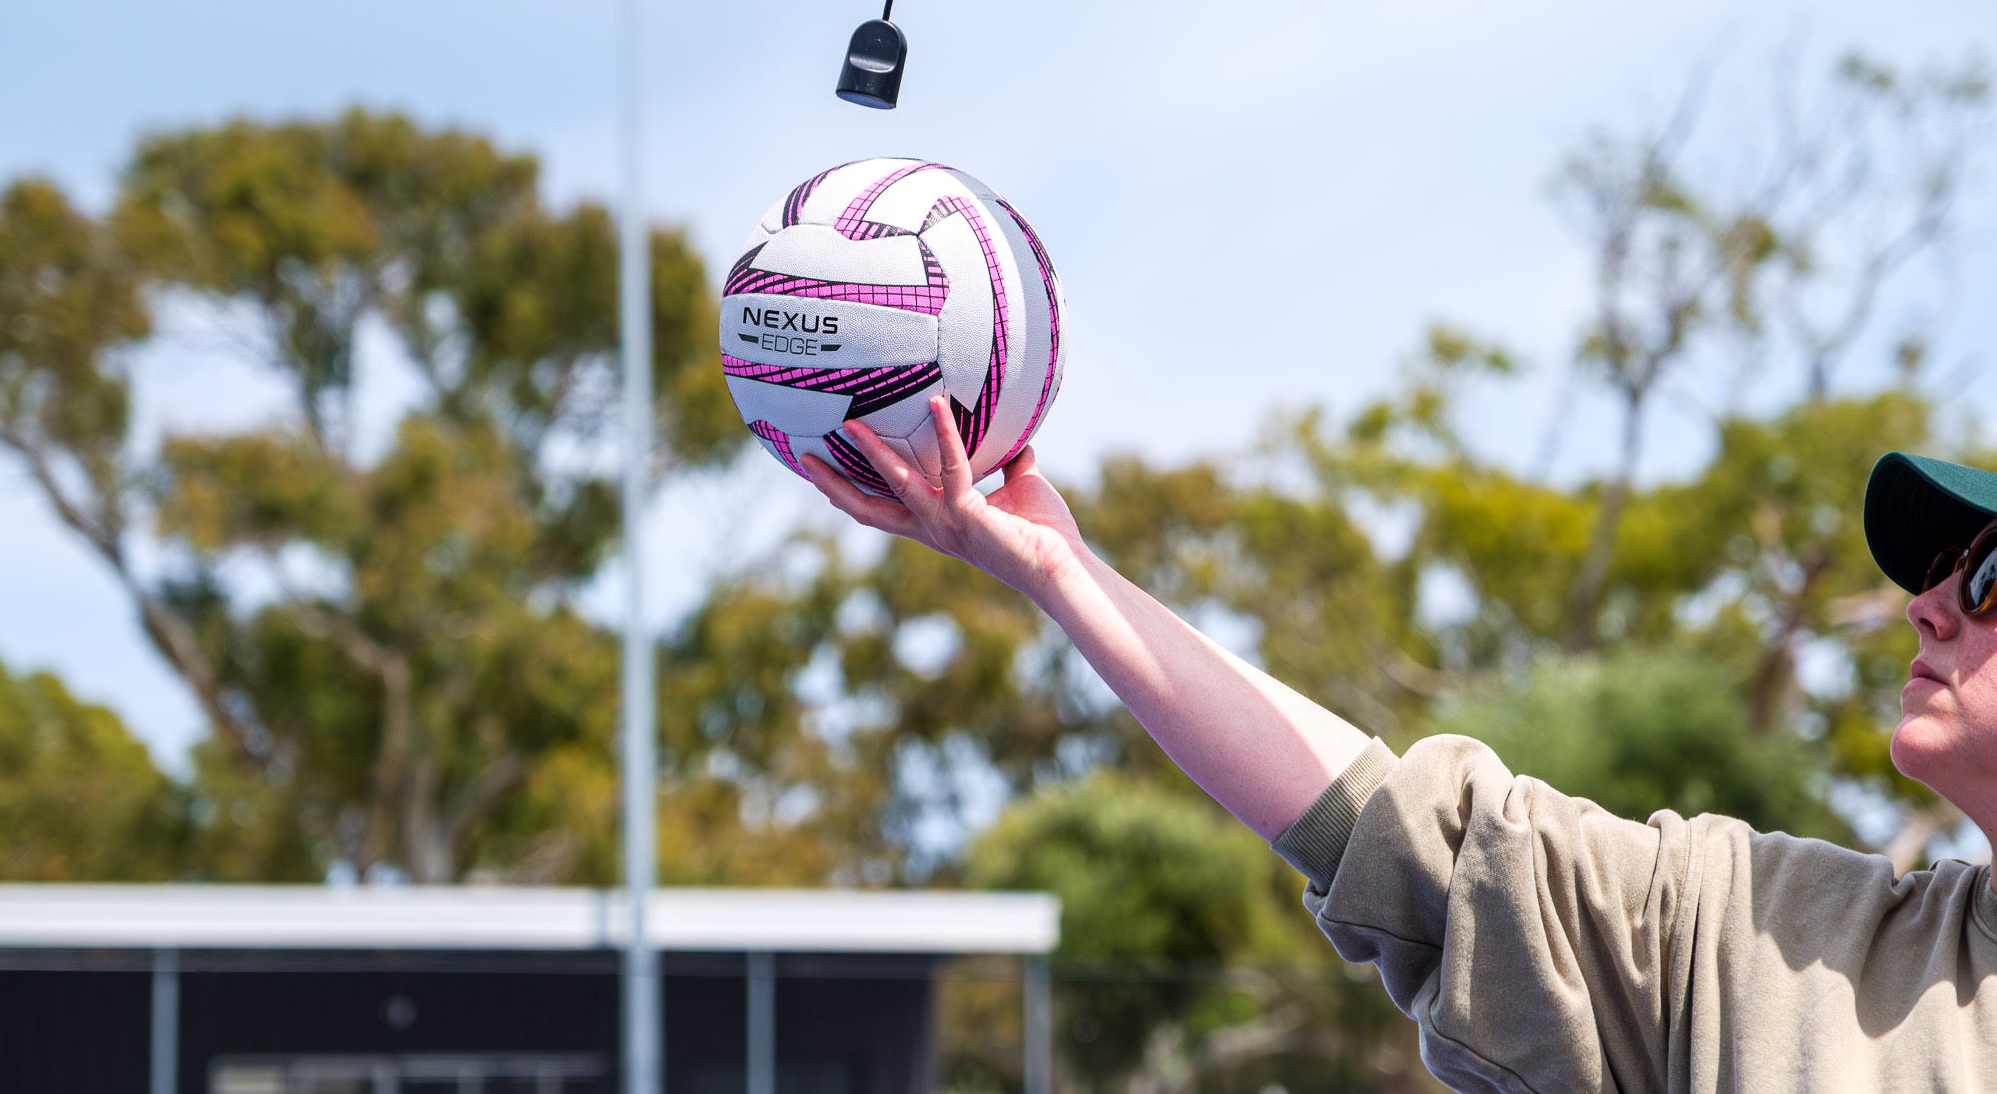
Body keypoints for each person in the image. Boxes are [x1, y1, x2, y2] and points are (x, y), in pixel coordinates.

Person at [803, 398, 1997, 1093]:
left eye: (1984, 574)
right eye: (1935, 572)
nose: (1924, 606)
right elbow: (1402, 833)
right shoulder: (1780, 945)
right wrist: (1064, 573)